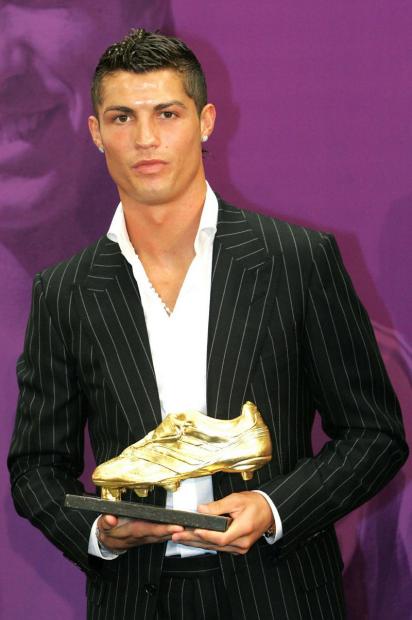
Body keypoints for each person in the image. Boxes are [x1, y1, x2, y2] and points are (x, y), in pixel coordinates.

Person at [8, 29, 408, 620]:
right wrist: (99, 533)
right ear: (95, 132)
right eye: (122, 117)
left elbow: (374, 435)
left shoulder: (297, 261)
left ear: (205, 121)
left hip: (280, 594)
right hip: (135, 600)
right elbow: (36, 467)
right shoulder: (64, 292)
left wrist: (273, 508)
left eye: (167, 113)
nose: (145, 138)